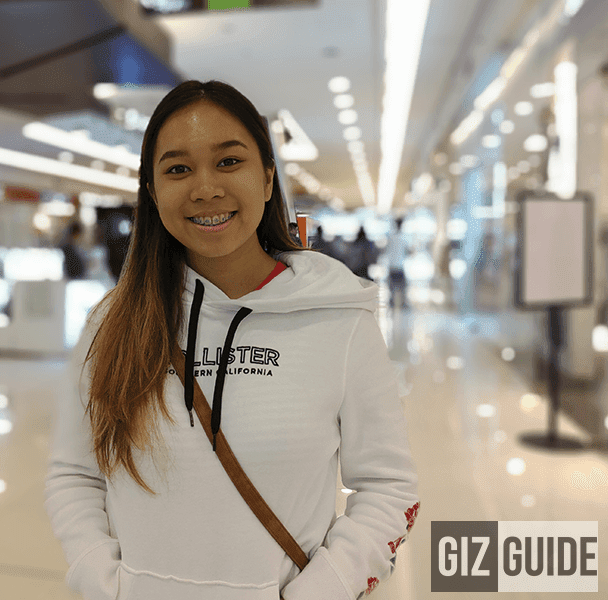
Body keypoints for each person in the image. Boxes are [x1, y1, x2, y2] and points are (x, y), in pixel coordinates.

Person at [45, 80, 419, 600]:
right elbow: (75, 473)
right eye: (178, 169)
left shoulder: (340, 318)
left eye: (228, 162)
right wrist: (102, 579)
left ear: (267, 178)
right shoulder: (113, 324)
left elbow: (388, 487)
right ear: (152, 192)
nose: (205, 189)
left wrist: (323, 590)